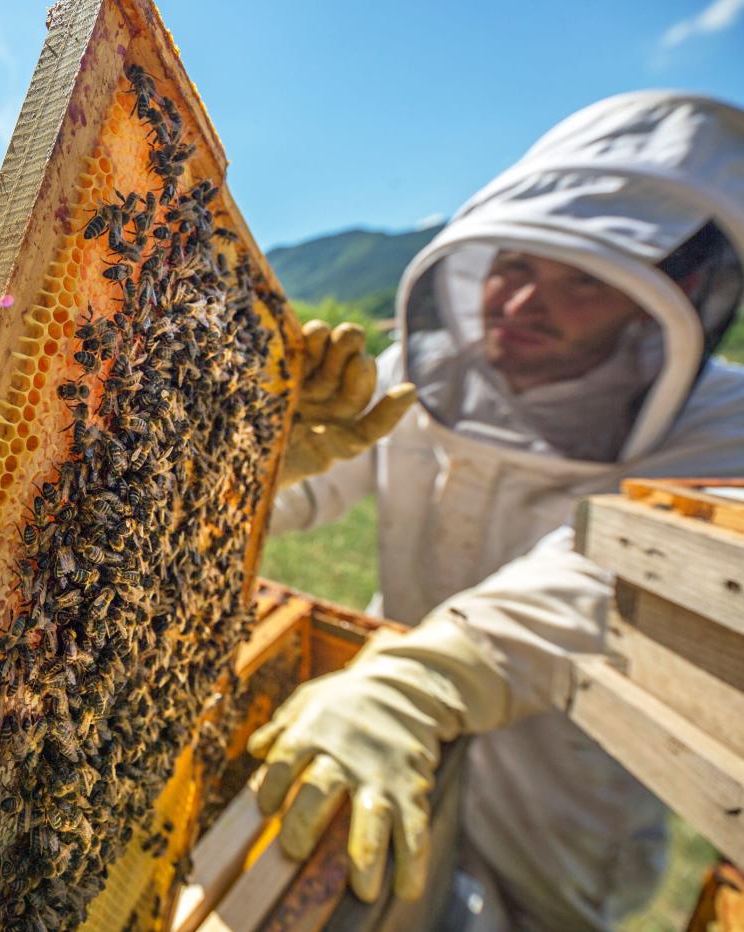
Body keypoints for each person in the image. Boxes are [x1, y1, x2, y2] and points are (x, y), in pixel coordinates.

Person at [252, 90, 744, 931]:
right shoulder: (429, 365)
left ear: (669, 292)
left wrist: (425, 680)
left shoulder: (723, 425)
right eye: (514, 264)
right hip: (371, 716)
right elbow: (312, 491)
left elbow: (618, 575)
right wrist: (256, 466)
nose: (520, 307)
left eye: (582, 282)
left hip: (559, 809)